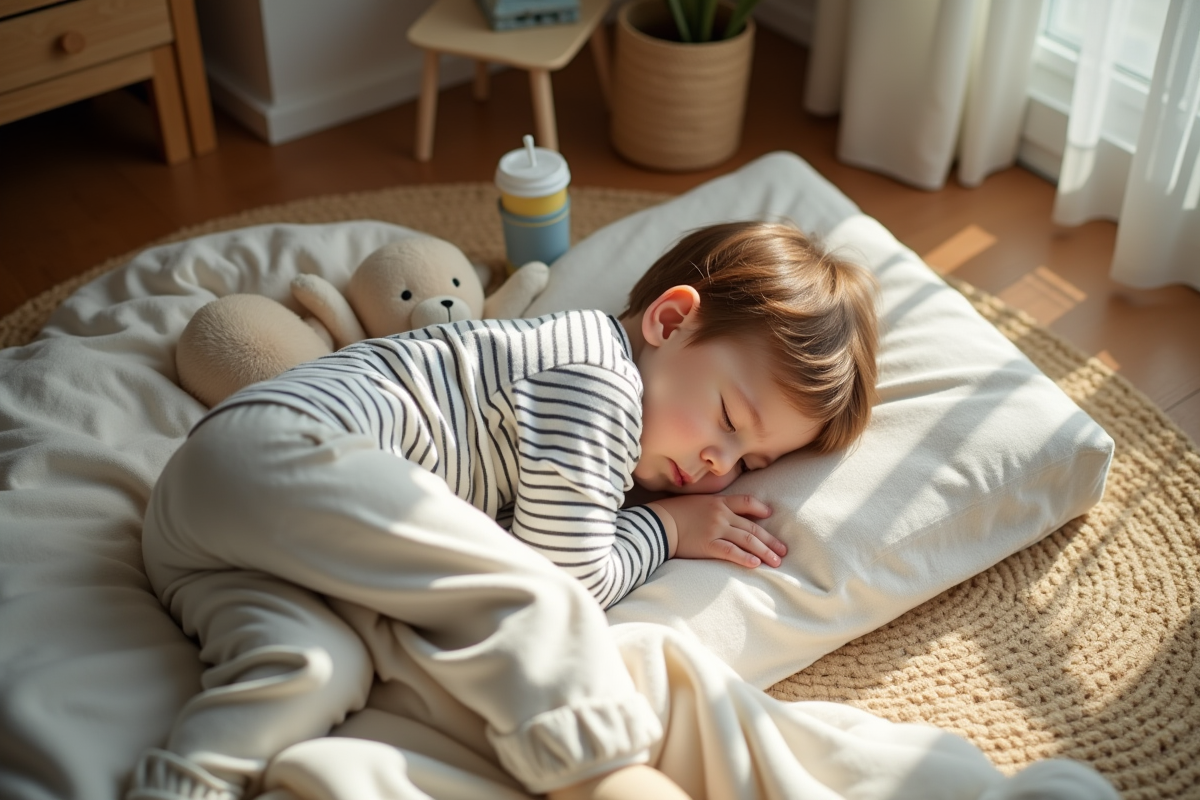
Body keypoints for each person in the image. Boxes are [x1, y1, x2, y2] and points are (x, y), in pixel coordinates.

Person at [129, 221, 879, 800]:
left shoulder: (598, 390)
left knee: (317, 669)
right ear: (669, 321)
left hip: (200, 535)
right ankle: (608, 775)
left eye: (749, 464)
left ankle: (185, 781)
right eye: (726, 417)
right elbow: (568, 575)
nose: (719, 463)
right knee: (535, 601)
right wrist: (665, 528)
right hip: (282, 447)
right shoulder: (596, 377)